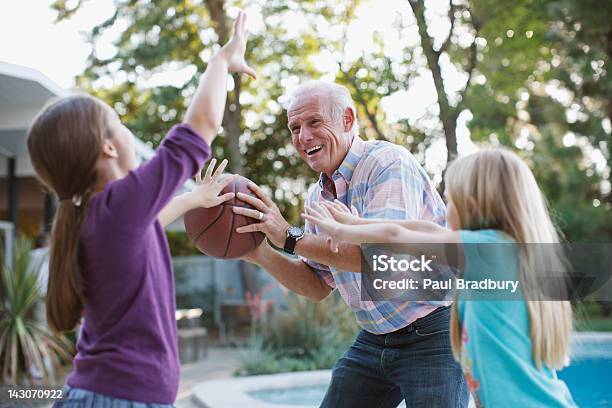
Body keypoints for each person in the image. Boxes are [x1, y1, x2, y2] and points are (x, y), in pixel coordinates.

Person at [26, 12, 255, 407]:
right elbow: (199, 126)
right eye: (119, 122)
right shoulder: (118, 205)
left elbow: (149, 226)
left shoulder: (94, 217)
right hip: (123, 398)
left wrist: (192, 200)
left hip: (100, 393)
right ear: (108, 146)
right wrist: (221, 61)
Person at [234, 81, 468, 407]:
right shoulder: (318, 196)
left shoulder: (387, 164)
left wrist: (288, 236)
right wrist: (260, 253)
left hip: (433, 333)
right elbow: (316, 285)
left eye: (314, 122)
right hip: (375, 338)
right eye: (295, 128)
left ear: (347, 120)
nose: (303, 137)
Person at [303, 147, 577, 407]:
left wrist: (344, 231)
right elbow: (422, 228)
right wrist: (356, 223)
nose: (444, 211)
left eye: (449, 201)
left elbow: (398, 237)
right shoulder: (498, 252)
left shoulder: (487, 251)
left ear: (470, 207)